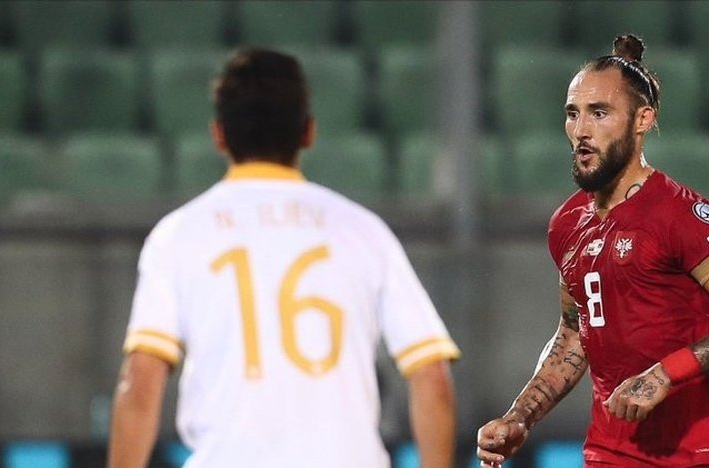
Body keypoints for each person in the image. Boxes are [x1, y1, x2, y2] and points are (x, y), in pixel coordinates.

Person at [108, 49, 460, 468]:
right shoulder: (364, 232)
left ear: (219, 134)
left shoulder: (178, 235)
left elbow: (140, 381)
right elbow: (432, 376)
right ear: (307, 132)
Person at [476, 34, 709, 467]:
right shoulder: (567, 224)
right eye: (573, 114)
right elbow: (574, 335)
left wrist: (664, 375)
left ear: (642, 120)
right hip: (611, 452)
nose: (581, 131)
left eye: (599, 113)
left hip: (699, 456)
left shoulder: (679, 214)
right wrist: (521, 417)